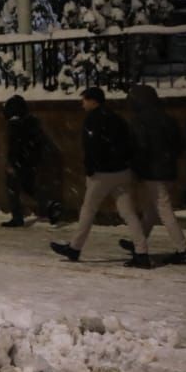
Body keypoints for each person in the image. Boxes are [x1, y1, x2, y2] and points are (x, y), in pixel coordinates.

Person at [50, 87, 150, 268]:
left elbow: (91, 146)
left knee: (88, 210)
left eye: (85, 100)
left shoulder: (93, 120)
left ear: (93, 101)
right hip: (122, 171)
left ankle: (75, 248)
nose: (82, 104)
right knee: (129, 213)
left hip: (102, 174)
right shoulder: (117, 118)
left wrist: (90, 168)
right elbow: (129, 143)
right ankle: (142, 252)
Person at [120, 84, 186, 264]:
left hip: (152, 171)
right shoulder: (167, 118)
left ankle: (182, 249)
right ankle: (140, 241)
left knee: (163, 210)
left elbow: (140, 148)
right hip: (168, 169)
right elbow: (180, 145)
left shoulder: (140, 120)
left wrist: (137, 168)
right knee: (152, 210)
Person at [1, 95, 60, 227]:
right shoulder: (31, 122)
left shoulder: (14, 124)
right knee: (28, 186)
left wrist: (12, 163)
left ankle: (18, 217)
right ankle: (49, 205)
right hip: (31, 160)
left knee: (13, 189)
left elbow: (14, 145)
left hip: (19, 161)